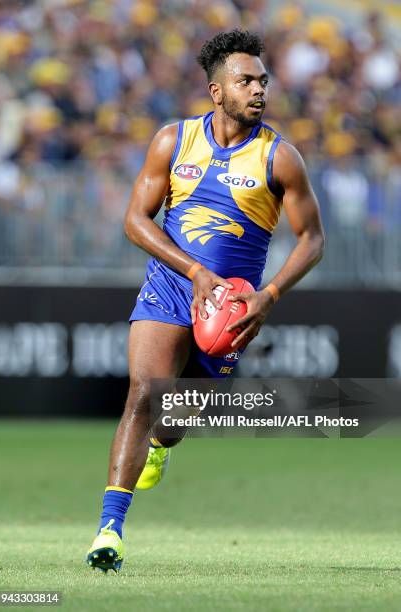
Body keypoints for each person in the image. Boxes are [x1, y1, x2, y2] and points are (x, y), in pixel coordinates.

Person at [86, 29, 324, 572]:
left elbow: (313, 238)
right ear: (217, 91)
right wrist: (192, 270)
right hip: (172, 286)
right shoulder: (174, 141)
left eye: (262, 81)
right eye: (244, 81)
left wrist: (269, 295)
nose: (258, 90)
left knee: (172, 417)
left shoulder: (280, 158)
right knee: (144, 393)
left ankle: (163, 448)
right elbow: (135, 219)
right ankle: (109, 530)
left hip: (233, 310)